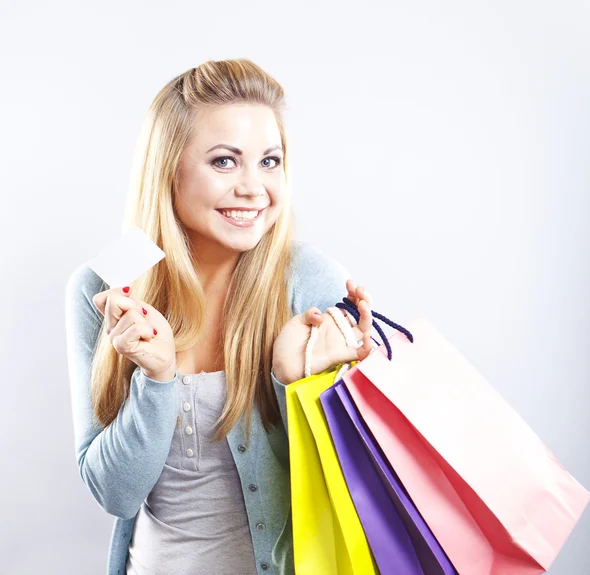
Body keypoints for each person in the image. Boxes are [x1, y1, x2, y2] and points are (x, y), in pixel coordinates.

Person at [65, 58, 374, 575]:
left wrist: (295, 383)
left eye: (269, 161)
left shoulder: (309, 280)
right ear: (169, 168)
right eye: (226, 162)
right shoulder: (103, 288)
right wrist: (157, 378)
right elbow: (115, 494)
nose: (254, 187)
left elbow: (369, 490)